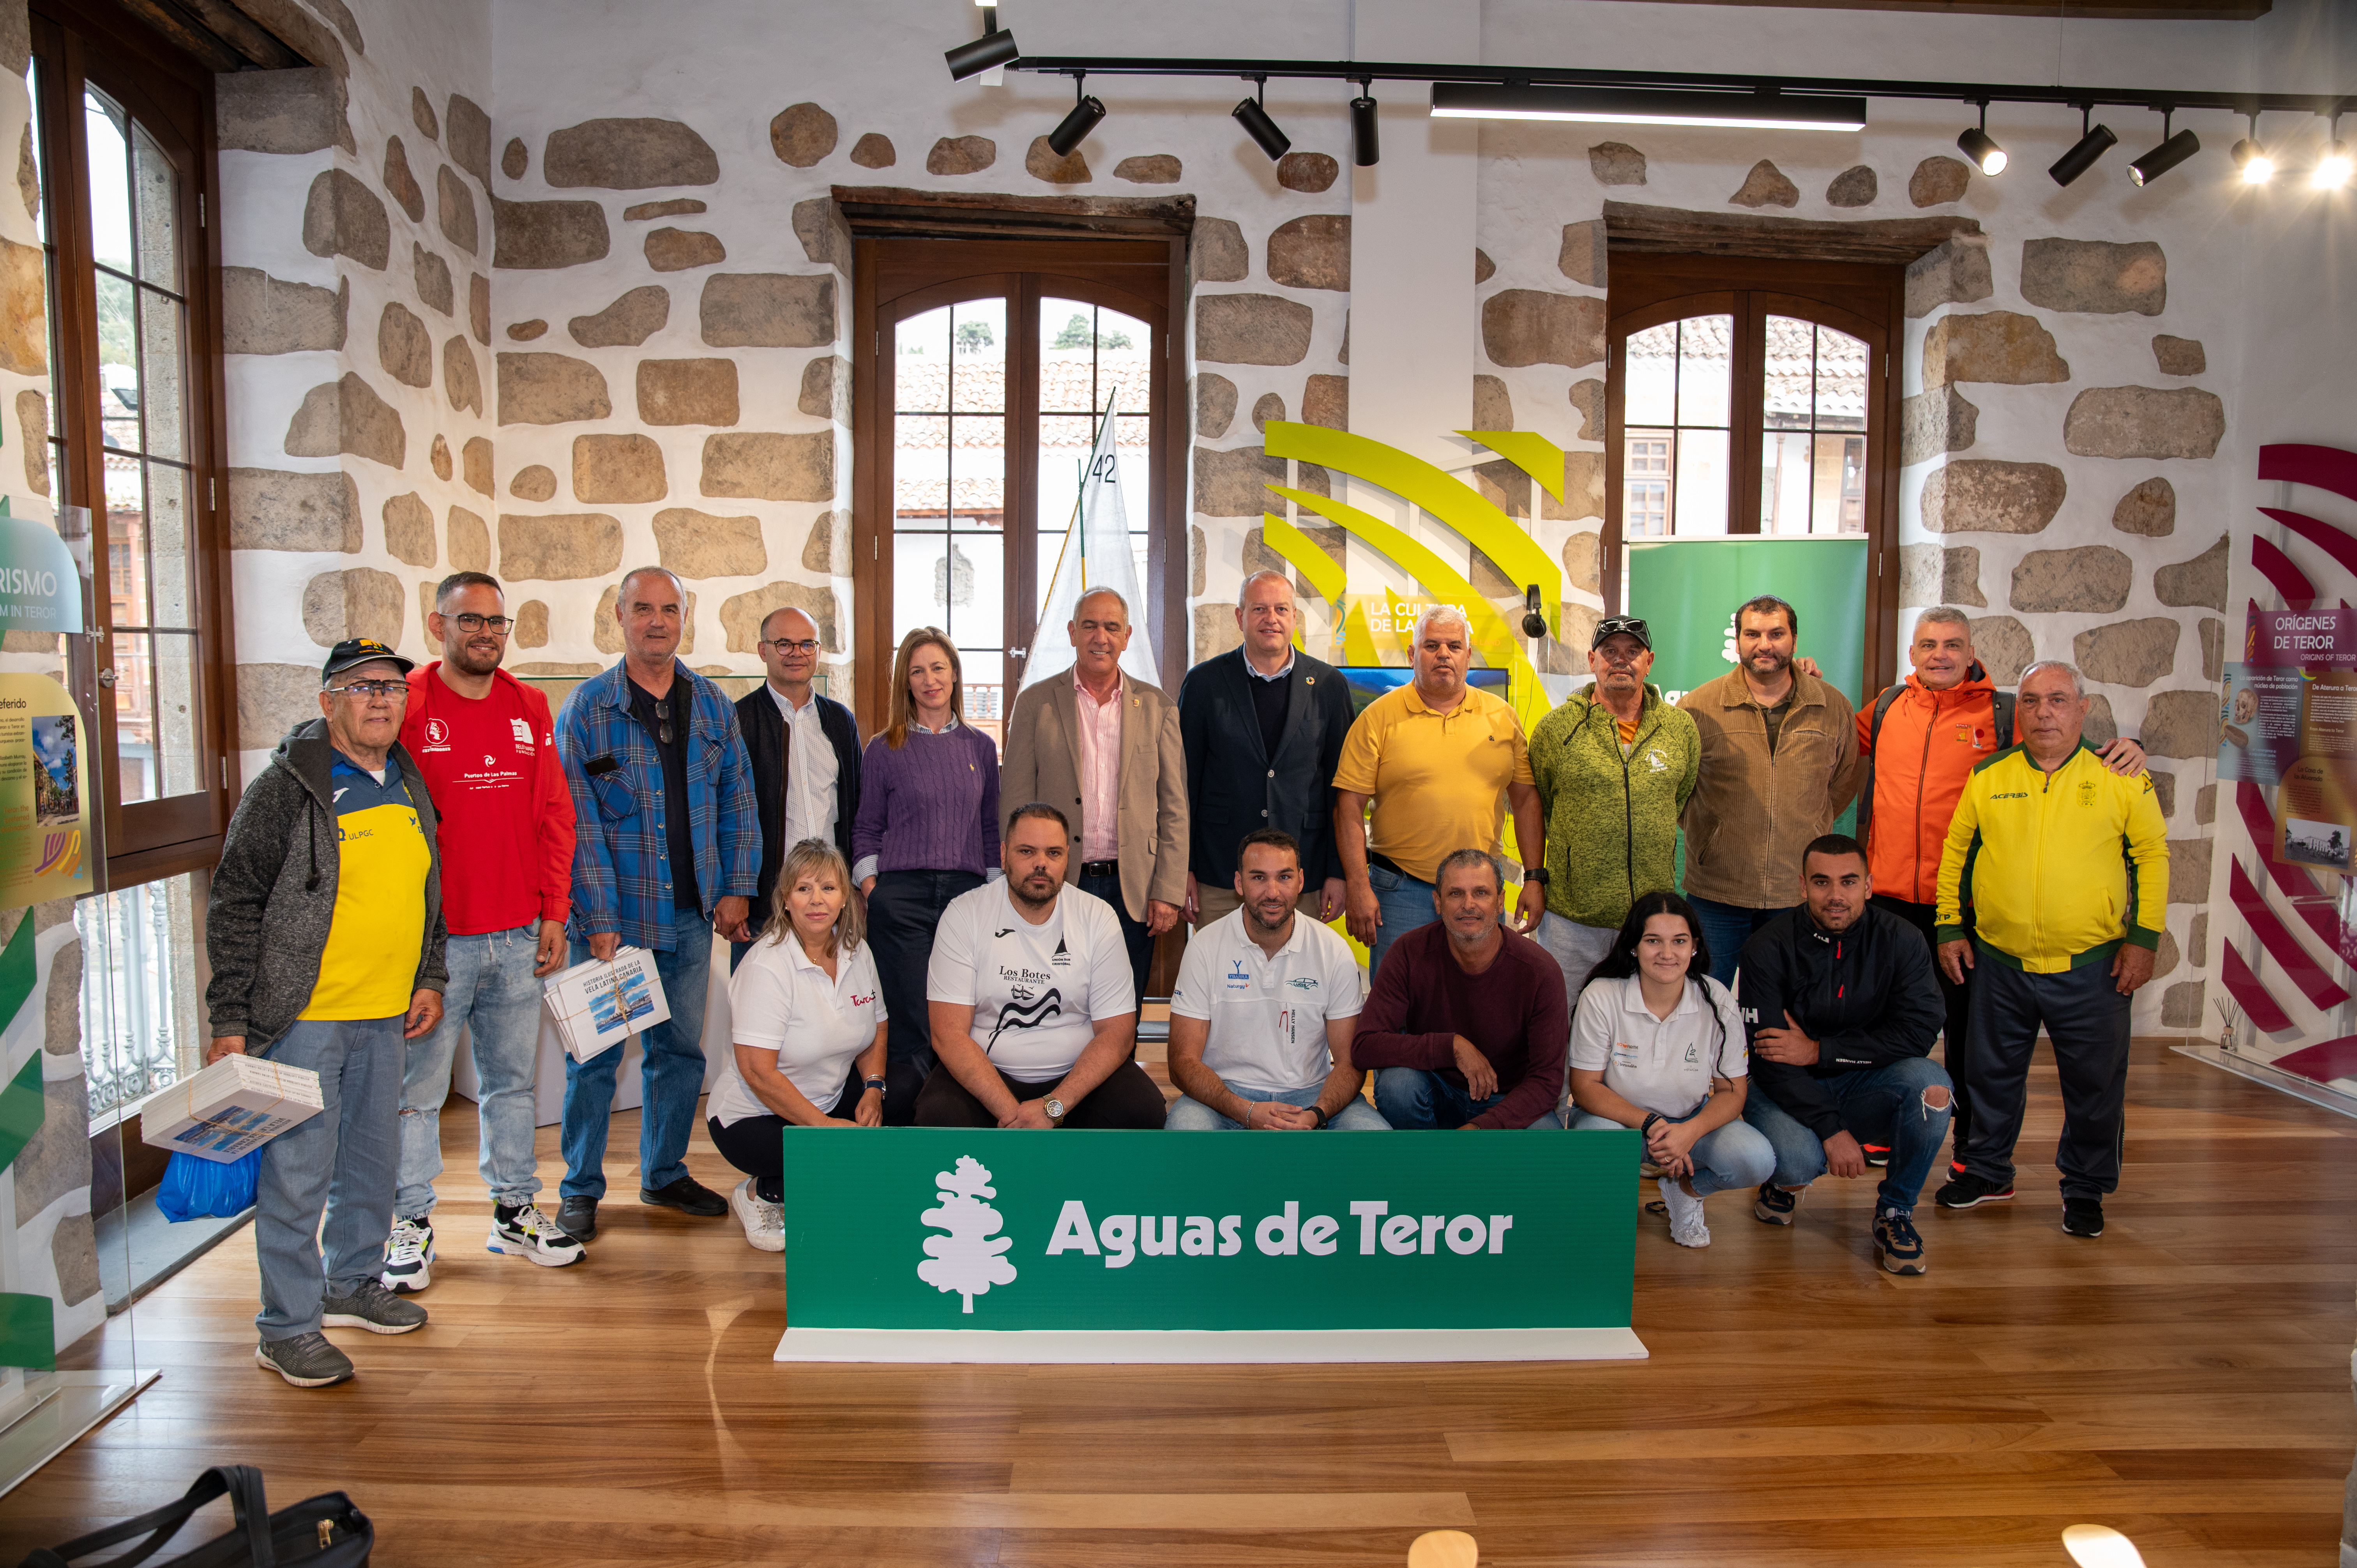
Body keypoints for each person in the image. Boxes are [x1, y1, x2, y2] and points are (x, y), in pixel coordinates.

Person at [204, 638, 447, 1388]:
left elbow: (429, 889)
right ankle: (286, 1326)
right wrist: (229, 1017)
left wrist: (429, 973)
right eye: (362, 686)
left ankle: (352, 1282)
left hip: (387, 1012)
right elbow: (236, 900)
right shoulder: (284, 786)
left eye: (393, 688)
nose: (381, 700)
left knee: (373, 1167)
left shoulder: (407, 777)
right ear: (327, 701)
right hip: (304, 1017)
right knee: (298, 1174)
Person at [1854, 607, 2144, 1175]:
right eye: (1929, 644)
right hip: (1887, 897)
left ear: (1970, 654)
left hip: (1963, 904)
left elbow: (2060, 740)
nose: (1940, 654)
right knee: (1890, 1026)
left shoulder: (2002, 711)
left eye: (1953, 644)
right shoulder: (1888, 709)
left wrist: (2126, 747)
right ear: (1912, 654)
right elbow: (1837, 737)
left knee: (1969, 1037)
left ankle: (1971, 1149)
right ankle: (1887, 1122)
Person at [381, 573, 581, 1295]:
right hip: (435, 945)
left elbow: (555, 812)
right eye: (471, 620)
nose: (486, 633)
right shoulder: (409, 705)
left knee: (512, 1085)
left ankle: (515, 1208)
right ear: (438, 624)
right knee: (416, 1091)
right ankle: (408, 1221)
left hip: (518, 931)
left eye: (497, 622)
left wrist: (553, 909)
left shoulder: (529, 704)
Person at [554, 566, 759, 1241]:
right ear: (619, 616)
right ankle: (580, 1186)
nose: (656, 621)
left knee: (678, 1053)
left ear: (684, 617)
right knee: (596, 1058)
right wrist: (601, 918)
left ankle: (664, 1172)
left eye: (669, 609)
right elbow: (577, 822)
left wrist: (736, 886)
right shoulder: (588, 709)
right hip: (617, 920)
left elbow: (737, 800)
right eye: (642, 608)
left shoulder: (711, 705)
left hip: (691, 916)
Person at [1934, 660, 2168, 1238]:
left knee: (2094, 1085)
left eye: (2058, 700)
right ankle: (1987, 1172)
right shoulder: (1990, 776)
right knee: (1989, 1076)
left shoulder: (2120, 775)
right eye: (2033, 701)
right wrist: (1948, 927)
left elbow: (2153, 858)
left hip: (2092, 966)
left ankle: (2085, 1188)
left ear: (2083, 708)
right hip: (2000, 961)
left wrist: (2144, 939)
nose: (2044, 713)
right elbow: (1956, 855)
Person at [1736, 835, 1951, 1275]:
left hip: (1862, 1083)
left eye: (1849, 882)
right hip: (1779, 1088)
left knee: (1933, 1088)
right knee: (1799, 1157)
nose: (1836, 896)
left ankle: (1896, 1212)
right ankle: (1785, 1182)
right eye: (1822, 882)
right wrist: (1833, 1132)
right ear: (1802, 886)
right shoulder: (1767, 946)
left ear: (1869, 885)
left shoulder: (1903, 940)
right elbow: (1772, 1058)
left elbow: (1917, 1033)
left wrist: (1819, 1050)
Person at [915, 803, 1166, 1129]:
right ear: (1004, 854)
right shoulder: (964, 915)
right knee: (937, 1117)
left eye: (1053, 853)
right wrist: (1014, 1115)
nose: (1041, 864)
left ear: (1067, 859)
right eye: (1026, 851)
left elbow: (1117, 1034)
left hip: (1076, 1078)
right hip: (988, 1073)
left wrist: (1054, 1107)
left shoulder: (1098, 918)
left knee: (1142, 1111)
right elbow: (948, 1034)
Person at [1333, 606, 1544, 980]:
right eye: (1432, 645)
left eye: (1454, 646)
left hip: (1478, 894)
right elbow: (1348, 808)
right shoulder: (1377, 718)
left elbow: (1527, 800)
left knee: (1476, 999)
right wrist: (1358, 886)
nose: (1443, 654)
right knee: (1399, 1006)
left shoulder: (1503, 717)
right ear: (1414, 655)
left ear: (1468, 655)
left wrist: (1533, 877)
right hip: (1400, 892)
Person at [1000, 587, 1187, 1002]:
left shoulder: (1159, 708)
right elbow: (1014, 801)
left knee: (1122, 1003)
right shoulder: (1035, 704)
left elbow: (1174, 808)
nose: (1100, 636)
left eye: (1111, 627)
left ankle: (1117, 1069)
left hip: (1134, 886)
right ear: (1072, 632)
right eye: (1089, 625)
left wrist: (1169, 889)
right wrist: (1020, 875)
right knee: (1055, 997)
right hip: (1057, 880)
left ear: (1127, 636)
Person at [852, 628, 1001, 1124]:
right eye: (918, 671)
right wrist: (877, 892)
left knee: (962, 1015)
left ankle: (954, 1117)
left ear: (955, 674)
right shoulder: (883, 748)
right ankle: (908, 1131)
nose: (930, 679)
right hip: (903, 898)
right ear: (906, 682)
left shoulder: (980, 748)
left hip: (965, 896)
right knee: (913, 1020)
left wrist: (993, 893)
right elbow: (867, 828)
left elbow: (989, 829)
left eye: (938, 668)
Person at [707, 838, 887, 1252]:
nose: (817, 900)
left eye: (828, 888)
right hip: (753, 1117)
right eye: (804, 888)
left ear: (846, 898)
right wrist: (824, 1130)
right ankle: (762, 1191)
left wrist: (874, 1088)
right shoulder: (766, 966)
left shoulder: (858, 952)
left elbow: (878, 1026)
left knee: (903, 1108)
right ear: (786, 899)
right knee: (843, 1160)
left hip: (828, 1099)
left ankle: (813, 1174)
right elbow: (757, 1072)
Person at [1567, 892, 1774, 1249]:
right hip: (1619, 1123)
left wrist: (1688, 1133)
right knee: (1593, 1144)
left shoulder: (1717, 998)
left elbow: (1733, 1093)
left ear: (1695, 947)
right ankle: (1607, 1209)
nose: (1667, 953)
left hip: (1688, 1122)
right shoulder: (1602, 996)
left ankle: (1685, 1192)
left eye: (1680, 941)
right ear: (1633, 946)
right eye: (1653, 941)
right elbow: (1585, 1087)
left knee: (1756, 1160)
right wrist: (1649, 1123)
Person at [1678, 595, 1862, 987]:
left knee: (1790, 1007)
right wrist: (1711, 836)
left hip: (1796, 892)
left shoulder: (1833, 707)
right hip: (1718, 892)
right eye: (1753, 634)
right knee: (1705, 1000)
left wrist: (1806, 823)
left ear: (1794, 640)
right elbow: (1679, 790)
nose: (1765, 644)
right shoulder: (1699, 707)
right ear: (1739, 640)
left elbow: (1844, 780)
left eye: (1776, 633)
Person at [1165, 829, 1387, 1131]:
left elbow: (1350, 1063)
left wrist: (1316, 1114)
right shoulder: (1204, 947)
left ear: (1301, 881)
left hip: (1313, 1095)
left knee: (1374, 1139)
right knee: (1184, 1136)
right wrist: (1245, 1110)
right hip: (1223, 1096)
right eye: (1258, 878)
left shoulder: (1332, 950)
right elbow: (1182, 1061)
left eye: (1284, 877)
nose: (1272, 892)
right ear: (1238, 883)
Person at [1528, 614, 1700, 995]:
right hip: (1573, 920)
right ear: (1592, 660)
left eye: (1633, 651)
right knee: (1567, 1025)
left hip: (1652, 921)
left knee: (1643, 1029)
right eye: (1610, 651)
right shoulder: (1556, 729)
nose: (1621, 660)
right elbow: (1540, 807)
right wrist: (1535, 879)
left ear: (1649, 661)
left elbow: (1678, 797)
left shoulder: (1679, 729)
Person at [1177, 569, 1354, 929]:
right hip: (1220, 873)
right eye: (1259, 609)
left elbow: (1341, 789)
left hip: (1303, 874)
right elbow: (1183, 786)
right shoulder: (1203, 683)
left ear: (1294, 618)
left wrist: (1339, 872)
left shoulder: (1329, 685)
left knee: (1298, 980)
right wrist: (1184, 869)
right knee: (1222, 978)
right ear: (1240, 617)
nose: (1270, 619)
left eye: (1281, 610)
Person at [1355, 849, 1567, 1131]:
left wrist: (1482, 1128)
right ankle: (1426, 1168)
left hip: (1508, 1101)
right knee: (1397, 1086)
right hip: (1437, 1091)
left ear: (1501, 901)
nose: (1469, 905)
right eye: (1456, 894)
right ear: (1438, 902)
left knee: (1546, 1136)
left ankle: (1478, 1165)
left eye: (1481, 893)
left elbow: (1547, 1082)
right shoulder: (1408, 952)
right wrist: (1451, 1047)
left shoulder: (1541, 971)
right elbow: (1365, 1046)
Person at [734, 605, 862, 957]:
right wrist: (736, 893)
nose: (797, 654)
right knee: (762, 1010)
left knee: (830, 1009)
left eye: (807, 645)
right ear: (763, 650)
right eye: (784, 644)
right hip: (765, 906)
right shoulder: (739, 721)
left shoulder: (840, 722)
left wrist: (855, 889)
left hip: (831, 904)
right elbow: (725, 817)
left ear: (818, 651)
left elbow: (857, 810)